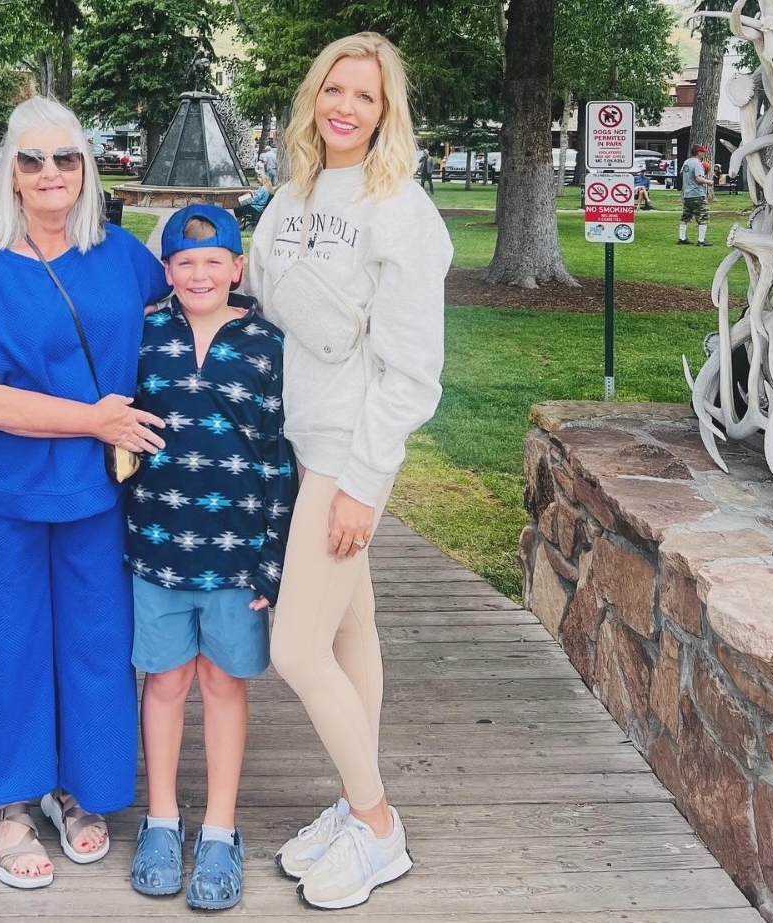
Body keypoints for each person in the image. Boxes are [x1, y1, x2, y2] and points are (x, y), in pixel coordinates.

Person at [0, 95, 170, 891]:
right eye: (32, 159)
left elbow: (193, 315)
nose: (50, 172)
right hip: (1, 490)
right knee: (3, 645)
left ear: (86, 169)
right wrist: (93, 419)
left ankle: (77, 789)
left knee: (94, 644)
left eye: (65, 157)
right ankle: (8, 805)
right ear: (10, 176)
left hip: (96, 494)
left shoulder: (124, 257)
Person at [246, 32, 452, 910]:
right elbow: (259, 287)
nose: (345, 107)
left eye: (365, 97)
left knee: (294, 645)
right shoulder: (291, 192)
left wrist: (365, 483)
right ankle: (351, 800)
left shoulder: (402, 210)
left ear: (386, 111)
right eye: (335, 89)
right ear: (314, 97)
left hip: (347, 453)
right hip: (303, 440)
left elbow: (411, 373)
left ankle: (376, 825)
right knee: (349, 629)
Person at [126, 204, 296, 911]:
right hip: (157, 549)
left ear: (236, 267)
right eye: (183, 263)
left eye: (212, 261)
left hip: (237, 554)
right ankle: (162, 820)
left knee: (224, 685)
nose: (199, 274)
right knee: (163, 683)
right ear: (167, 272)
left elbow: (283, 454)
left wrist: (273, 560)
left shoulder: (268, 345)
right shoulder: (142, 338)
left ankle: (221, 829)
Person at [678, 143, 713, 247]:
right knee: (703, 217)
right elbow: (698, 179)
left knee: (685, 216)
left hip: (687, 194)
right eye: (703, 152)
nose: (704, 154)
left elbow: (683, 174)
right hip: (697, 194)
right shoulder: (697, 163)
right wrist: (708, 181)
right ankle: (701, 240)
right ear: (698, 153)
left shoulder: (686, 162)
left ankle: (682, 238)